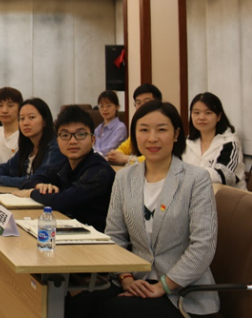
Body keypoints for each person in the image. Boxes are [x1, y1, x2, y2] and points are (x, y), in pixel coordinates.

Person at [66, 101, 219, 318]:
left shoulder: (196, 179)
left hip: (182, 292)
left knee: (111, 311)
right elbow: (114, 236)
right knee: (73, 304)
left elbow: (203, 246)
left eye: (161, 130)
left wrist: (164, 285)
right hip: (135, 280)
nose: (152, 138)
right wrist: (125, 277)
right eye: (144, 130)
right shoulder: (124, 178)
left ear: (176, 134)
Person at [15, 106, 115, 231]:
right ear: (58, 140)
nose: (72, 141)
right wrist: (40, 186)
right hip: (72, 230)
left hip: (99, 236)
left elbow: (64, 201)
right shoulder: (64, 165)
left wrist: (31, 193)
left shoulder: (99, 169)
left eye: (80, 134)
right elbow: (27, 182)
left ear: (92, 139)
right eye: (65, 135)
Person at [0, 98, 65, 188]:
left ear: (45, 121)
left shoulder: (55, 148)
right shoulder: (28, 147)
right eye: (22, 118)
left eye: (32, 117)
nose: (25, 123)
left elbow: (36, 180)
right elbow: (7, 168)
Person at [183, 92, 245, 188]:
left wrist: (188, 176)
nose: (201, 117)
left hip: (224, 196)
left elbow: (226, 176)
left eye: (208, 113)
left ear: (219, 116)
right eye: (196, 113)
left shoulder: (230, 143)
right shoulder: (186, 142)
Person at [106, 84, 162, 165]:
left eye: (147, 102)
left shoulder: (163, 125)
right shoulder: (139, 126)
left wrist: (126, 159)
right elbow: (123, 149)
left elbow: (157, 157)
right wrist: (114, 155)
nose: (142, 106)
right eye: (138, 103)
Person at [93, 90, 127, 155]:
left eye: (108, 106)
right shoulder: (98, 128)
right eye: (101, 106)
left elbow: (111, 149)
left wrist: (95, 154)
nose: (105, 109)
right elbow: (93, 146)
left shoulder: (120, 127)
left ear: (117, 107)